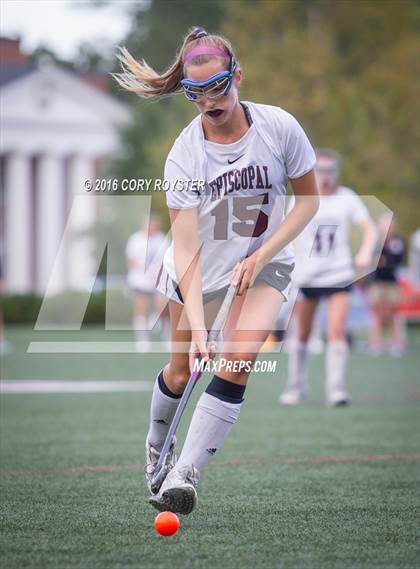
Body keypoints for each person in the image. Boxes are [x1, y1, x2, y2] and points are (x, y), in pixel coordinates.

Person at [115, 27, 319, 515]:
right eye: (195, 92)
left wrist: (262, 254)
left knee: (238, 361)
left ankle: (186, 472)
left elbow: (309, 202)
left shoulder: (278, 128)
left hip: (264, 266)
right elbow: (186, 250)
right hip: (195, 273)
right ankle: (155, 449)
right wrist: (203, 326)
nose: (209, 101)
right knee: (183, 370)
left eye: (218, 86)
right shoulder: (184, 156)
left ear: (237, 76)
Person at [280, 148, 377, 406]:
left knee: (336, 330)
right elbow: (290, 233)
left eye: (330, 171)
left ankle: (336, 390)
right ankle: (295, 387)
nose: (325, 176)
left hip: (339, 274)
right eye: (320, 170)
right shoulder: (304, 197)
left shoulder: (347, 198)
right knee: (302, 334)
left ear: (337, 173)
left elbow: (369, 229)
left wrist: (366, 252)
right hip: (308, 276)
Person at [126, 215, 167, 351]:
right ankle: (142, 339)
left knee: (163, 307)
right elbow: (131, 261)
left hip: (157, 281)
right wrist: (145, 271)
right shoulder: (135, 239)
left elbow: (166, 260)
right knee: (140, 308)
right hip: (140, 281)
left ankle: (164, 333)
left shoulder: (161, 239)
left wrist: (158, 271)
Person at [368, 214, 405, 356]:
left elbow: (395, 261)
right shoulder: (376, 242)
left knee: (392, 313)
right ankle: (376, 342)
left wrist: (385, 260)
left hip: (391, 283)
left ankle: (395, 342)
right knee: (376, 314)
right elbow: (374, 261)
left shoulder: (397, 242)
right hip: (377, 282)